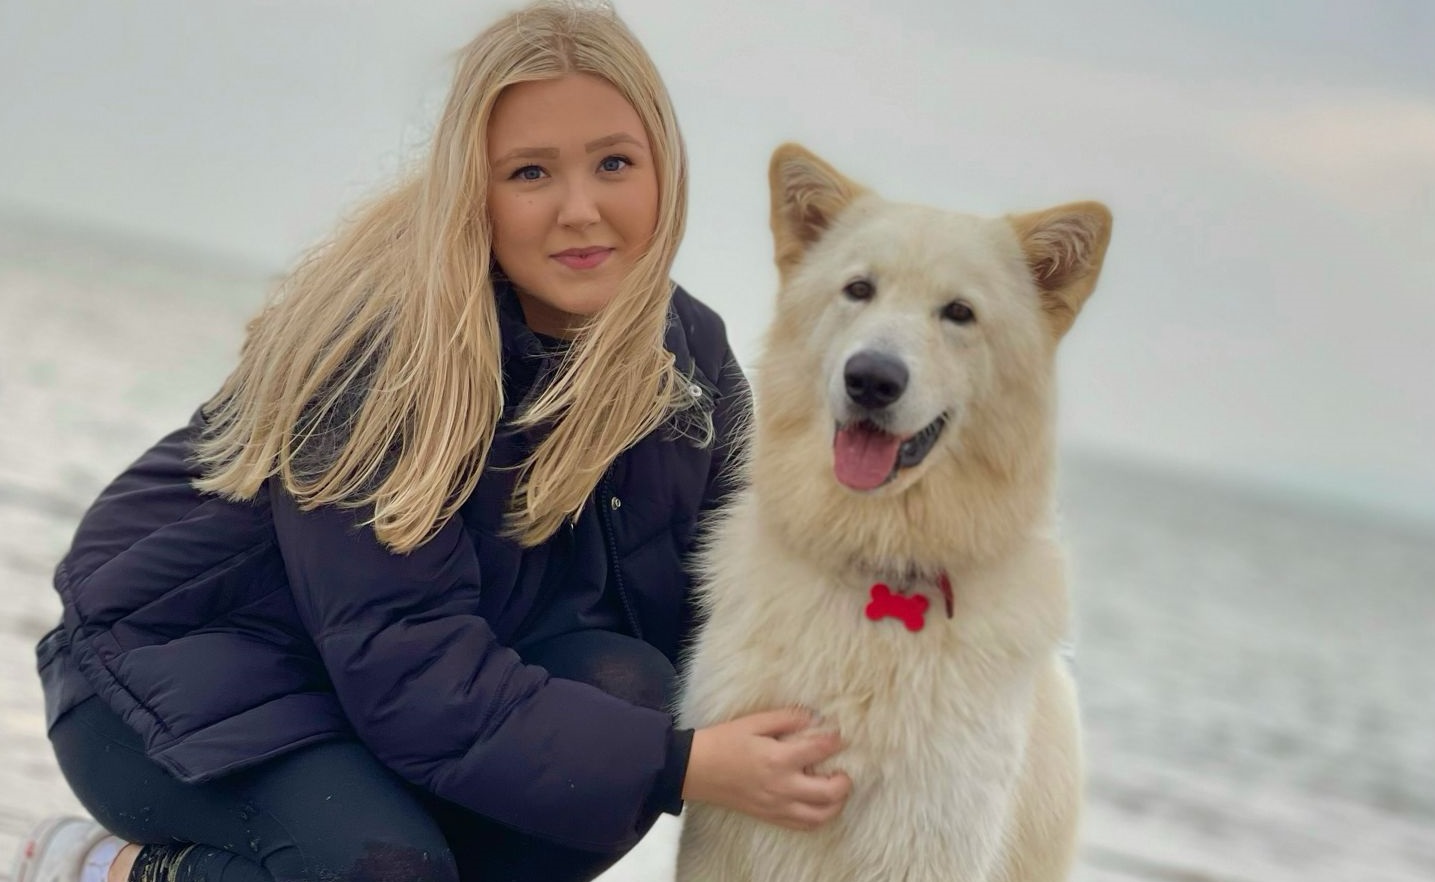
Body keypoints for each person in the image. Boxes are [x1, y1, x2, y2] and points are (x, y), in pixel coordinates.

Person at [9, 3, 852, 881]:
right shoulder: (387, 348)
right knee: (390, 870)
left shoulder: (690, 359)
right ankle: (105, 870)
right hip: (181, 673)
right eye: (530, 172)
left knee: (630, 690)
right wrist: (684, 767)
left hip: (399, 693)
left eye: (614, 163)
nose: (580, 210)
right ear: (473, 189)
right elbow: (407, 664)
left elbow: (732, 609)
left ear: (664, 169)